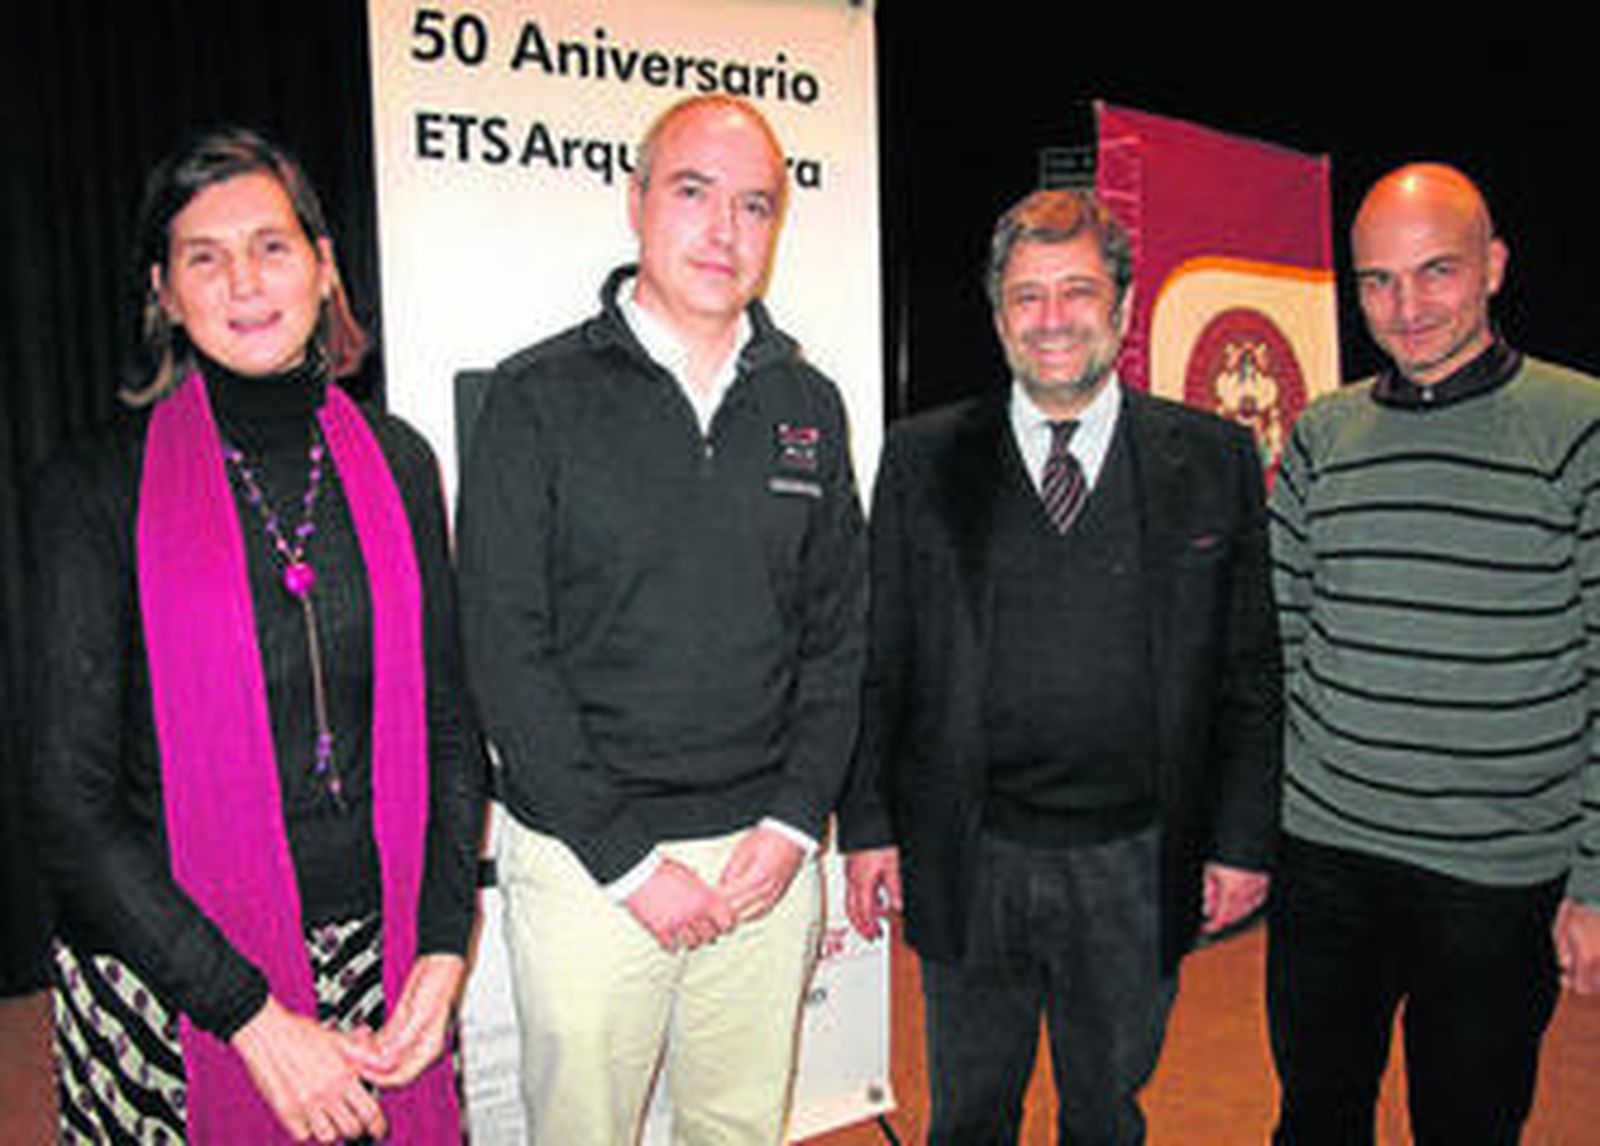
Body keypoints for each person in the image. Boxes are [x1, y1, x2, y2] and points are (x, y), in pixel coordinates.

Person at [30, 127, 485, 1143]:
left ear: (323, 267)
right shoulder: (92, 487)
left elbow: (451, 723)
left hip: (382, 957)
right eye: (205, 255)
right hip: (167, 970)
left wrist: (443, 949)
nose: (244, 280)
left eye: (272, 246)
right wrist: (250, 1016)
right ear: (164, 289)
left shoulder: (401, 462)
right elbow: (69, 801)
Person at [456, 95, 866, 1144]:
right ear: (636, 201)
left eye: (755, 205)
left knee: (736, 1129)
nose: (724, 231)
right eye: (693, 192)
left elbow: (837, 635)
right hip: (593, 868)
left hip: (763, 865)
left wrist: (790, 826)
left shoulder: (807, 406)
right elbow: (507, 652)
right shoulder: (532, 398)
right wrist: (629, 863)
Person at [838, 188, 1282, 1143]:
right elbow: (883, 657)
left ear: (1121, 308)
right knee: (968, 1113)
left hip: (1136, 859)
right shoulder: (923, 458)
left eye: (1077, 292)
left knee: (1106, 1110)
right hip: (970, 853)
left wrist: (1243, 842)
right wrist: (868, 826)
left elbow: (1251, 672)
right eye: (1026, 296)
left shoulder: (1213, 459)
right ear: (997, 314)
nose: (1052, 321)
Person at [1267, 162, 1600, 1144]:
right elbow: (1278, 642)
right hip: (1324, 858)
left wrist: (1594, 879)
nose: (1404, 307)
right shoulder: (1323, 431)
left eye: (1435, 272)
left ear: (1493, 267)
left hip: (1495, 878)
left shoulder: (1579, 427)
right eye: (1376, 280)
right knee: (1316, 1120)